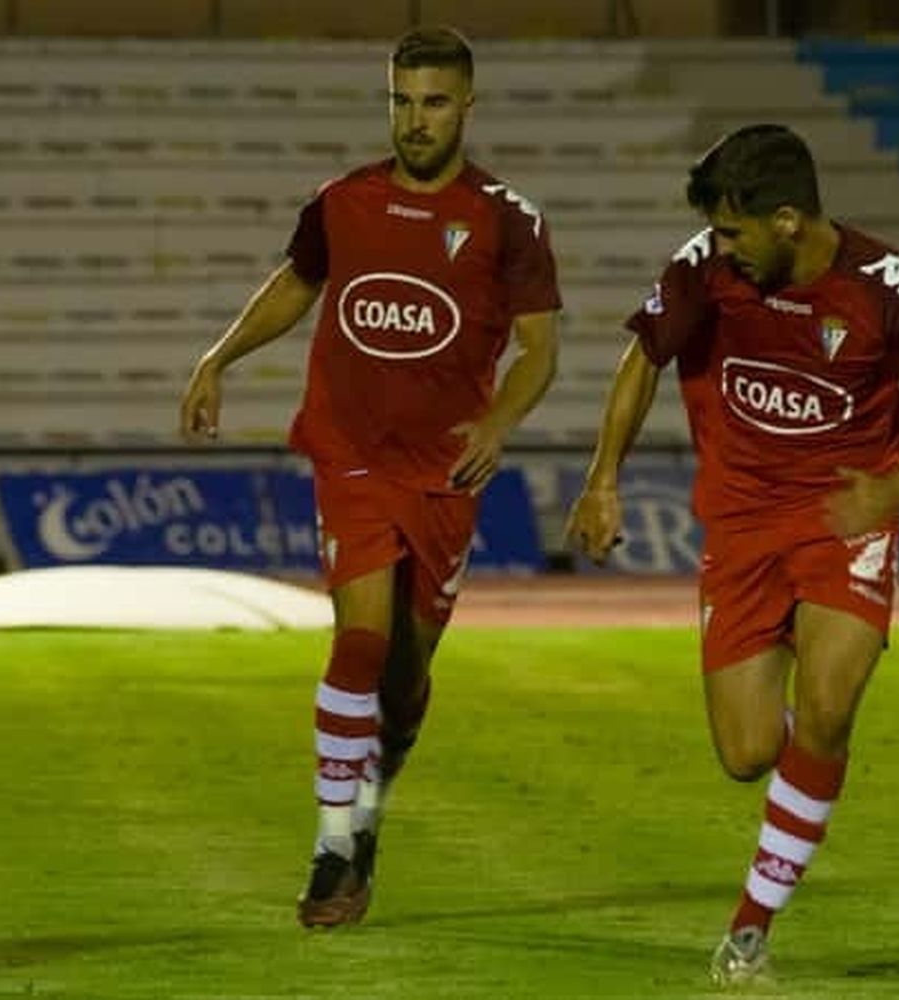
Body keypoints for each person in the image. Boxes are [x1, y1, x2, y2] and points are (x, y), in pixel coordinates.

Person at [566, 124, 899, 984]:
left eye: (733, 232)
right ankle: (808, 777)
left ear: (786, 219)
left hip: (845, 518)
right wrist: (604, 478)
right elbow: (642, 358)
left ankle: (751, 927)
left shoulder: (889, 286)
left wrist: (896, 492)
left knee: (827, 707)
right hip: (742, 527)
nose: (722, 249)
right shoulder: (704, 270)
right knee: (750, 753)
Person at [179, 26, 561, 928]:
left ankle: (369, 807)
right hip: (350, 455)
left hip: (444, 470)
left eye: (433, 102)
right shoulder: (341, 201)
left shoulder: (509, 218)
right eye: (401, 100)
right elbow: (296, 282)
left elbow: (540, 349)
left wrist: (500, 421)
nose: (415, 120)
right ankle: (331, 846)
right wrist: (218, 356)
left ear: (466, 105)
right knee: (356, 644)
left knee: (404, 674)